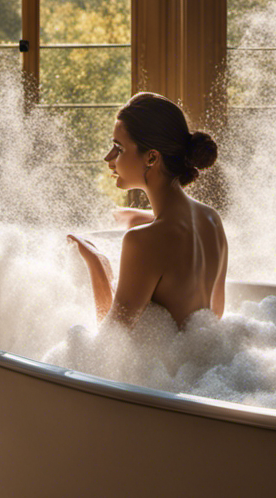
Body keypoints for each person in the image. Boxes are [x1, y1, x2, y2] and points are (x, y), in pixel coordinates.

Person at [68, 92, 228, 330]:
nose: (108, 158)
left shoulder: (143, 241)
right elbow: (216, 314)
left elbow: (111, 344)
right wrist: (141, 217)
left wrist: (97, 264)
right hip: (203, 361)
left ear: (152, 157)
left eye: (118, 148)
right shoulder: (211, 219)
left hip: (164, 367)